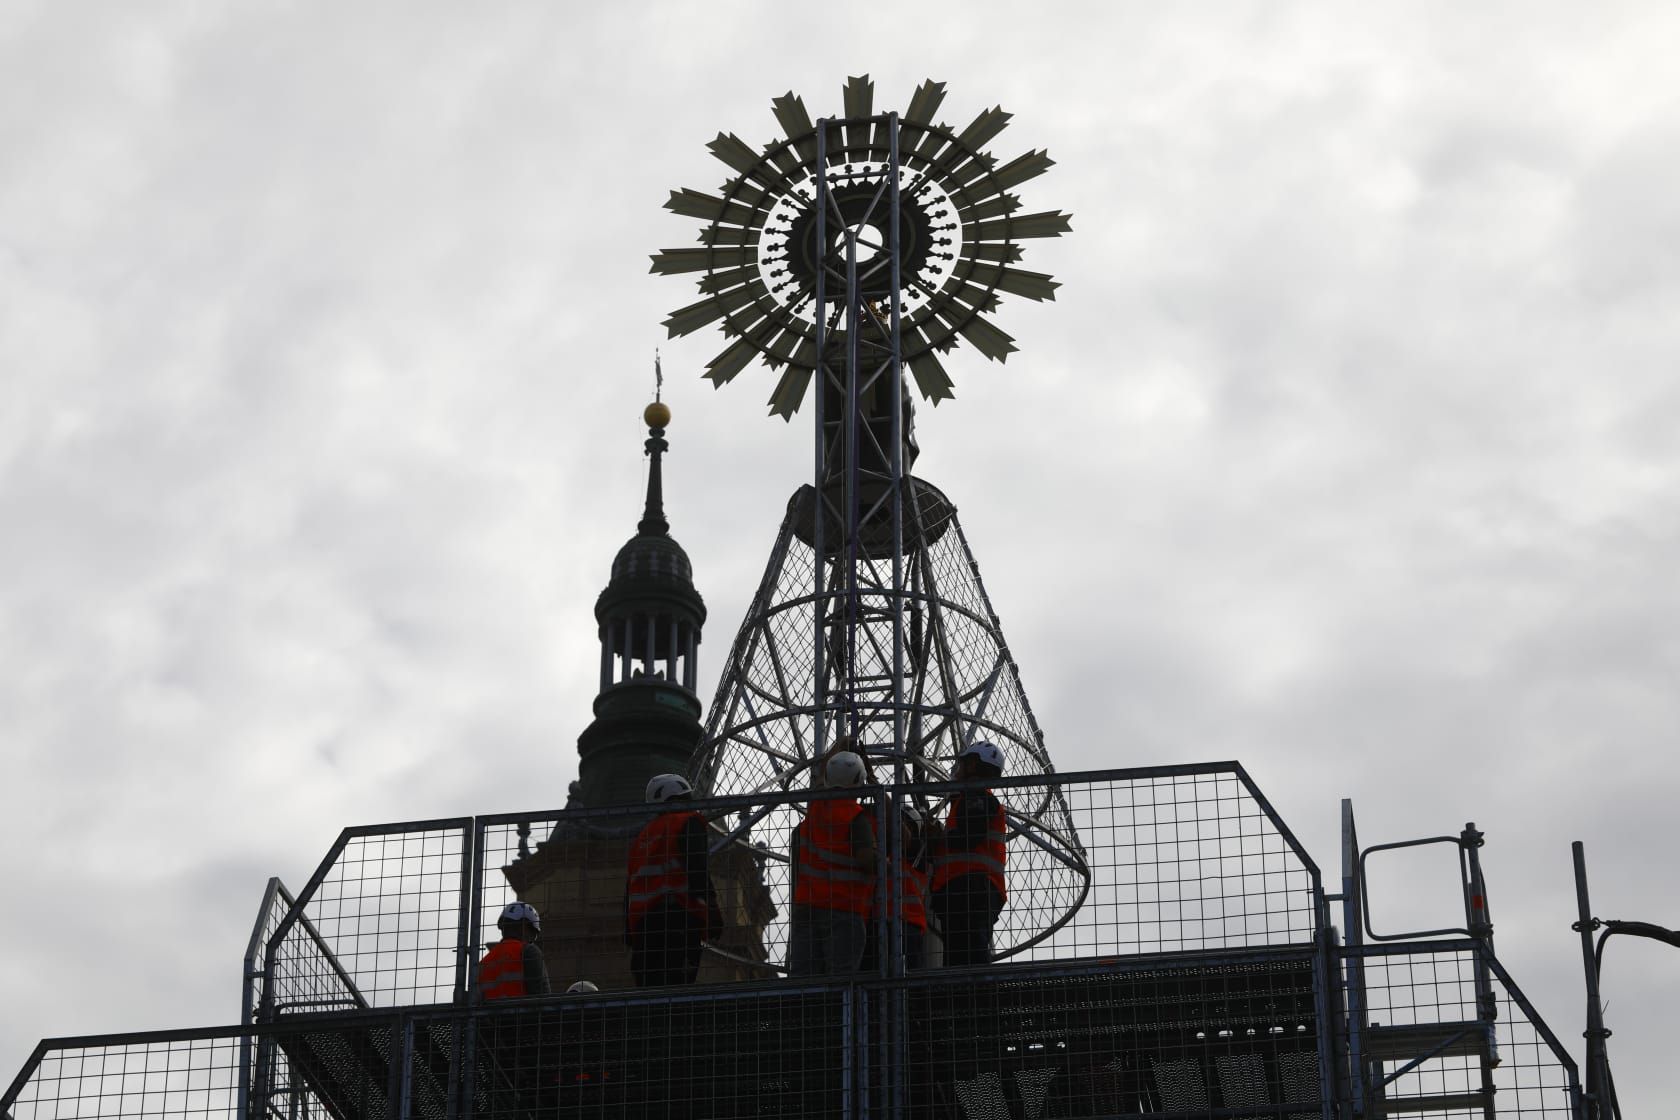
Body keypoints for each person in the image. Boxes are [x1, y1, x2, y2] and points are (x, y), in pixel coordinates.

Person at [625, 773, 722, 987]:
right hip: (678, 921)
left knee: (649, 995)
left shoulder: (641, 838)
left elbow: (630, 888)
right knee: (678, 991)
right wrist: (712, 907)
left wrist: (630, 935)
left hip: (644, 929)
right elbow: (696, 866)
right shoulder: (687, 822)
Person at [788, 748, 877, 975]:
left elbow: (819, 779)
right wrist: (885, 864)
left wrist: (838, 746)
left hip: (807, 905)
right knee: (841, 980)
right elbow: (867, 859)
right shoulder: (856, 817)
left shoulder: (816, 807)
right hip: (843, 908)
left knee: (804, 979)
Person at [931, 741, 1008, 967]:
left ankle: (978, 1000)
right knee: (959, 957)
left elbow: (967, 837)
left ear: (974, 765)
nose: (958, 769)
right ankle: (969, 998)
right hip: (966, 887)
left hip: (971, 888)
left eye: (963, 763)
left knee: (968, 957)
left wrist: (938, 837)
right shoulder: (970, 799)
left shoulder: (977, 797)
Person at [478, 901, 551, 998]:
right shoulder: (528, 951)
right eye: (533, 934)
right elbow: (543, 998)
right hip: (521, 1012)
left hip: (491, 1013)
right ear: (524, 926)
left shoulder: (484, 963)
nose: (532, 940)